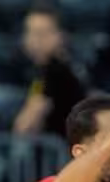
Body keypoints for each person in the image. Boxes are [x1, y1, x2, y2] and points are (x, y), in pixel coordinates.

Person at [15, 2, 88, 137]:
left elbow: (25, 124)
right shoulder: (47, 69)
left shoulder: (56, 70)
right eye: (30, 32)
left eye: (41, 34)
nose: (34, 41)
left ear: (60, 36)